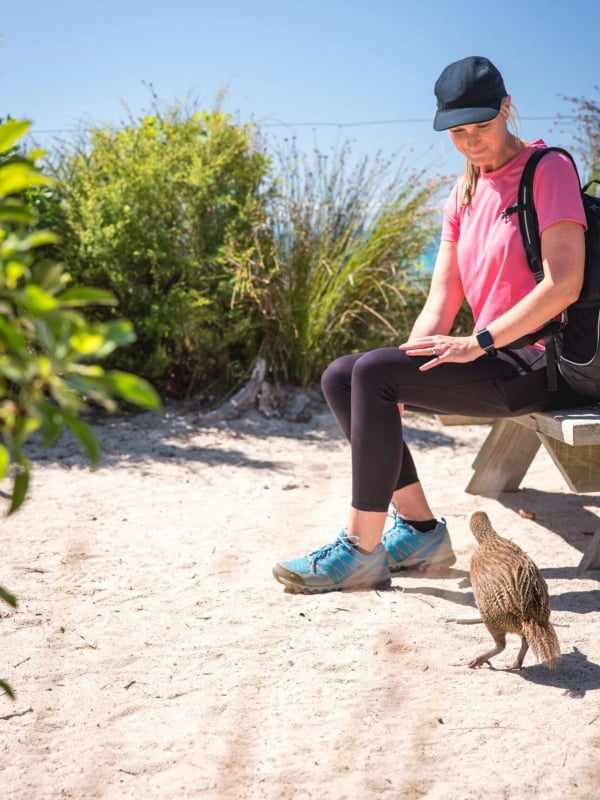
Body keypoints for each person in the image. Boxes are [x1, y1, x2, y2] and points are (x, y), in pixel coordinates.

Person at [272, 55, 588, 594]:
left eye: (482, 127)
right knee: (346, 375)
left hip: (539, 359)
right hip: (491, 356)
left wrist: (478, 340)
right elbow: (442, 300)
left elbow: (564, 285)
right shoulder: (462, 194)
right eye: (458, 132)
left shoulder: (547, 169)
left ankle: (360, 550)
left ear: (507, 109)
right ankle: (419, 532)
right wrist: (404, 363)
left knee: (373, 374)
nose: (471, 142)